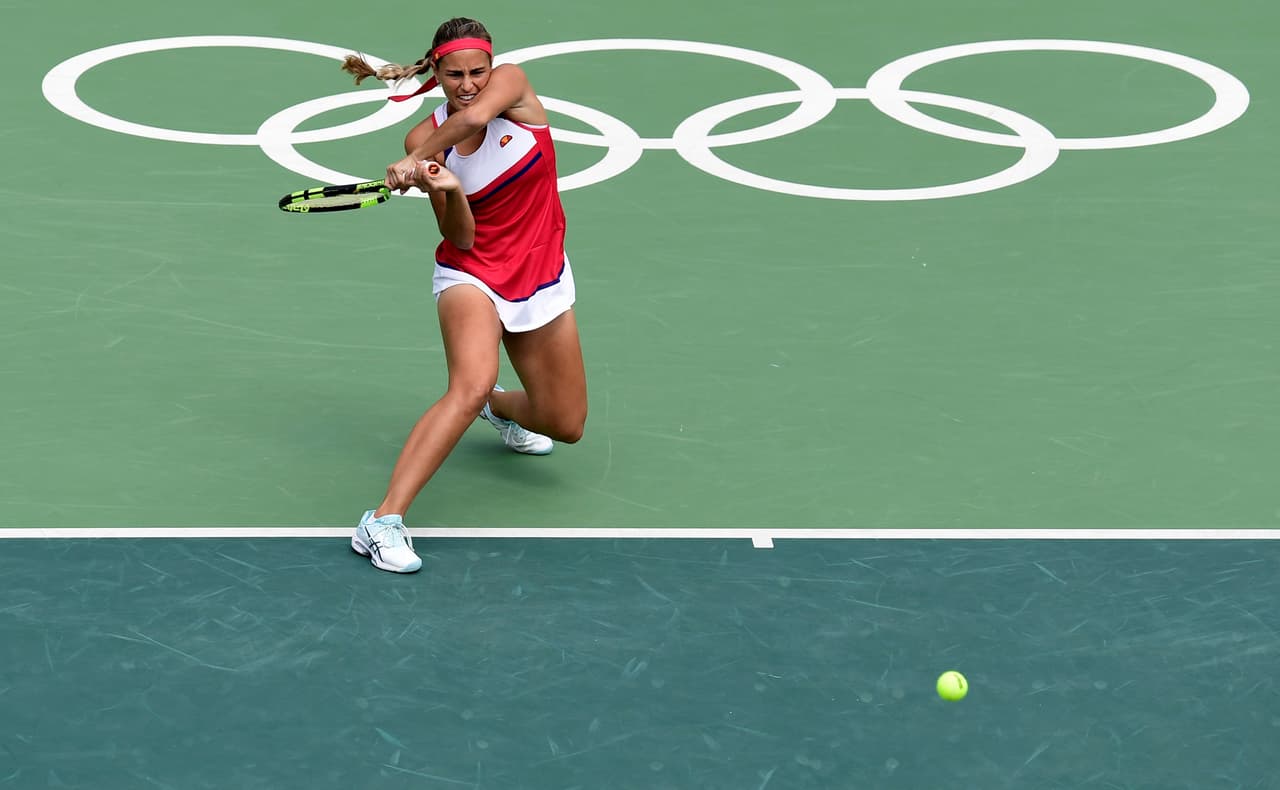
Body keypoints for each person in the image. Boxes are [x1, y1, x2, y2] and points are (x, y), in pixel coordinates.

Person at [340, 18, 588, 573]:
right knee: (467, 382)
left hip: (541, 270)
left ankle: (496, 406)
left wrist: (417, 162)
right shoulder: (421, 141)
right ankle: (382, 522)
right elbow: (461, 237)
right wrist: (446, 187)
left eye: (478, 70)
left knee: (565, 423)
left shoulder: (513, 87)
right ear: (437, 71)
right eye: (455, 75)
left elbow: (475, 117)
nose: (469, 84)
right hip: (472, 274)